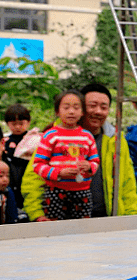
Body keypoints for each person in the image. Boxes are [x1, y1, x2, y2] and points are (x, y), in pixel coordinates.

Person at [21, 83, 137, 221]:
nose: (98, 111)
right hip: (60, 217)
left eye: (104, 107)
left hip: (105, 219)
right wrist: (36, 214)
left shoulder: (116, 139)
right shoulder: (54, 136)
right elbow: (34, 178)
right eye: (92, 105)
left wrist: (131, 216)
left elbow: (127, 181)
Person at [32, 90, 99, 220]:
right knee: (55, 226)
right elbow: (38, 165)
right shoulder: (50, 135)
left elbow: (95, 161)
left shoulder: (87, 136)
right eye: (66, 107)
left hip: (83, 191)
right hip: (56, 191)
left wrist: (89, 166)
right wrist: (58, 173)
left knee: (83, 226)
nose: (71, 111)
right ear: (57, 111)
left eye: (76, 107)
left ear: (82, 112)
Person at [2, 103, 31, 216]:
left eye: (21, 123)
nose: (18, 127)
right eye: (14, 124)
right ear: (8, 124)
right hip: (11, 178)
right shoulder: (6, 141)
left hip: (28, 175)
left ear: (28, 122)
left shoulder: (33, 139)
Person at [0, 159, 17, 224]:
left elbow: (12, 213)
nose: (5, 179)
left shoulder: (8, 192)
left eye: (8, 176)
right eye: (1, 176)